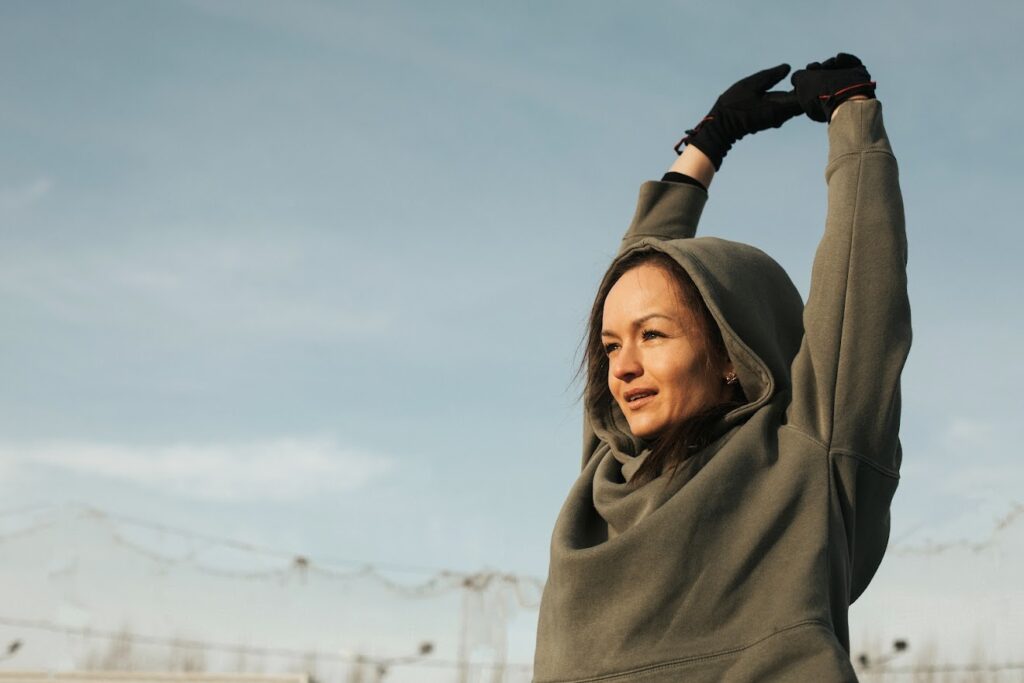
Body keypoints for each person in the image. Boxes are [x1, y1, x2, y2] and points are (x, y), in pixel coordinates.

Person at [533, 54, 910, 682]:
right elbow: (634, 276)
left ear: (733, 357)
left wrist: (853, 121)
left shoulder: (803, 462)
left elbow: (862, 296)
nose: (622, 369)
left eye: (652, 336)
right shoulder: (603, 488)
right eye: (610, 347)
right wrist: (704, 146)